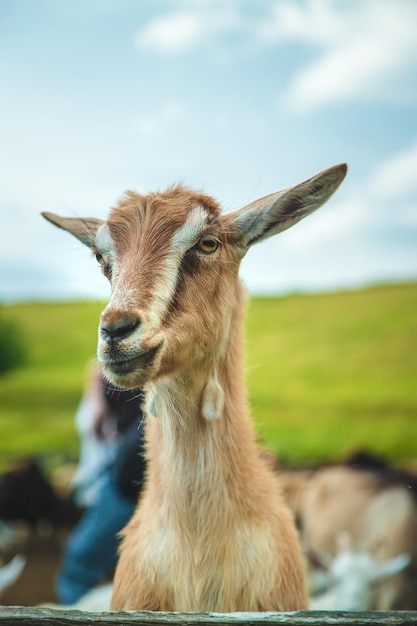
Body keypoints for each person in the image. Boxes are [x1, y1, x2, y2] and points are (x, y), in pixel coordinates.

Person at [55, 364, 146, 605]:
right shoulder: (110, 375)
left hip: (125, 490)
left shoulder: (145, 382)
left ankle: (74, 616)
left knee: (80, 561)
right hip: (121, 482)